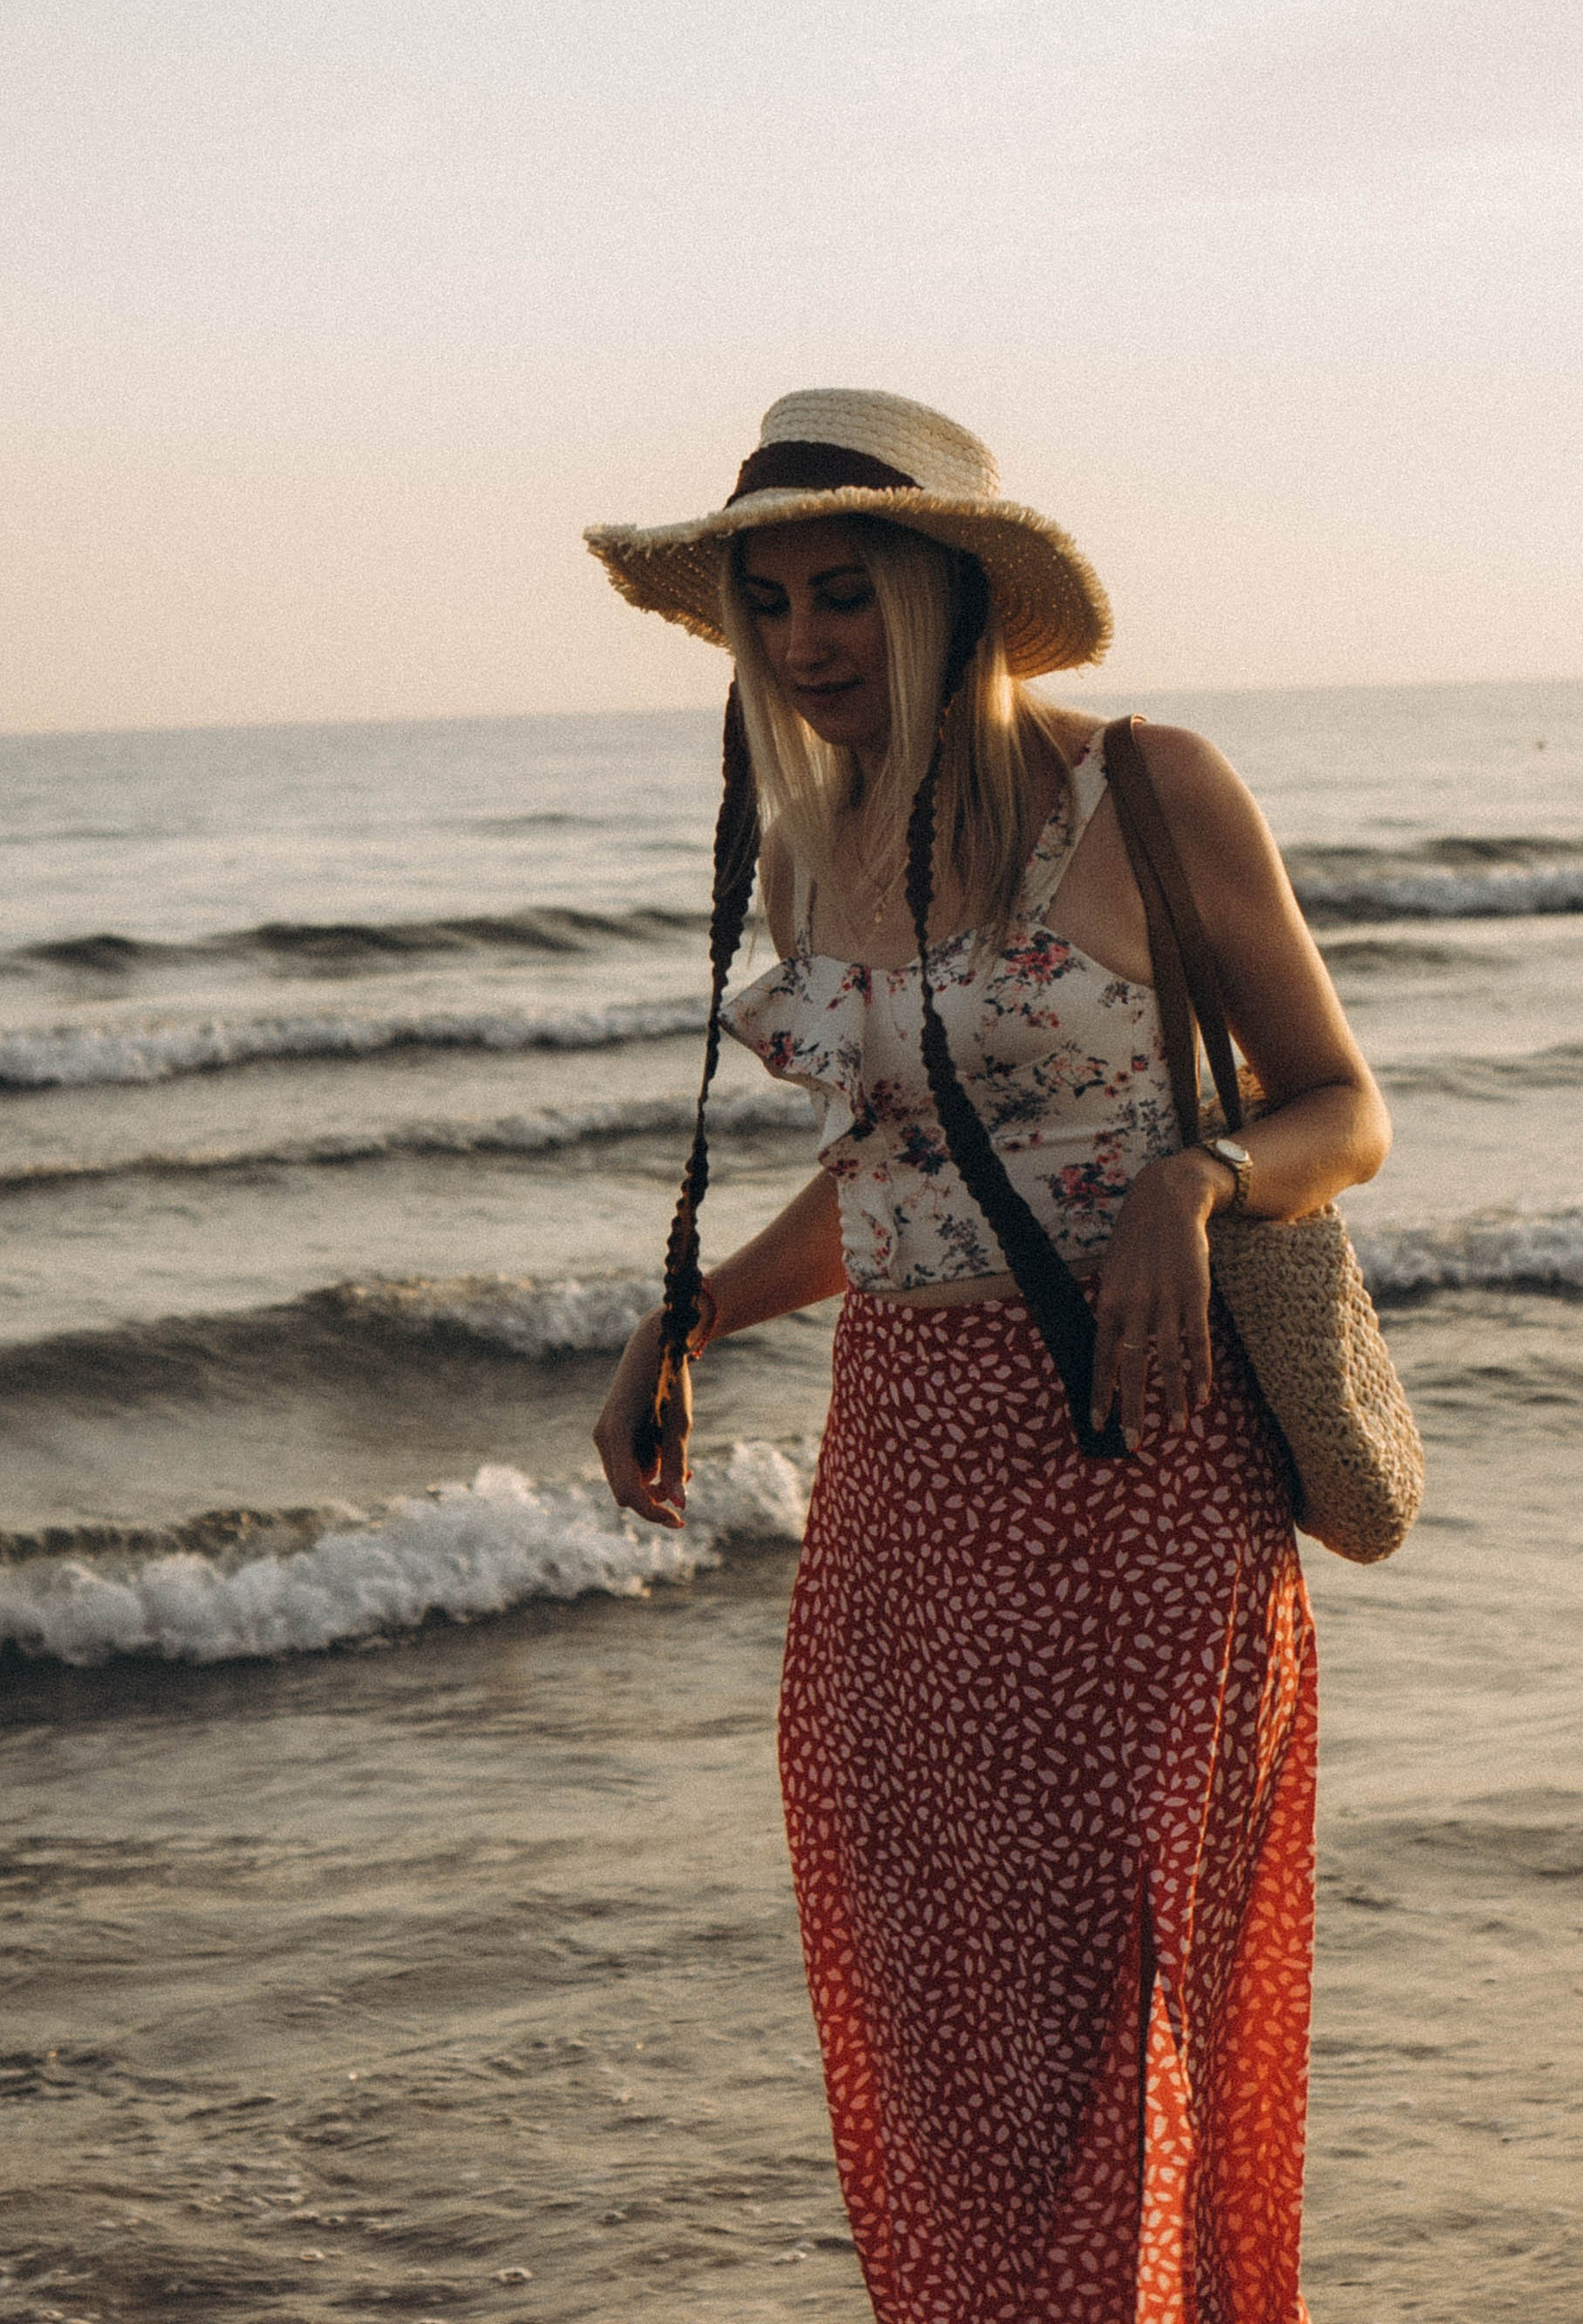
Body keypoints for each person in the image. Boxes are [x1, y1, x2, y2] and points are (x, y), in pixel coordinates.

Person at [589, 390, 1391, 2324]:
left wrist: (1195, 1181)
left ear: (944, 588)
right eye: (770, 603)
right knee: (933, 1996)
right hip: (903, 1487)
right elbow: (892, 1182)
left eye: (843, 592)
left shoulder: (1148, 791)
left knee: (1119, 1990)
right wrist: (688, 1316)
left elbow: (1340, 1107)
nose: (804, 641)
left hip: (1138, 1464)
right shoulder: (815, 849)